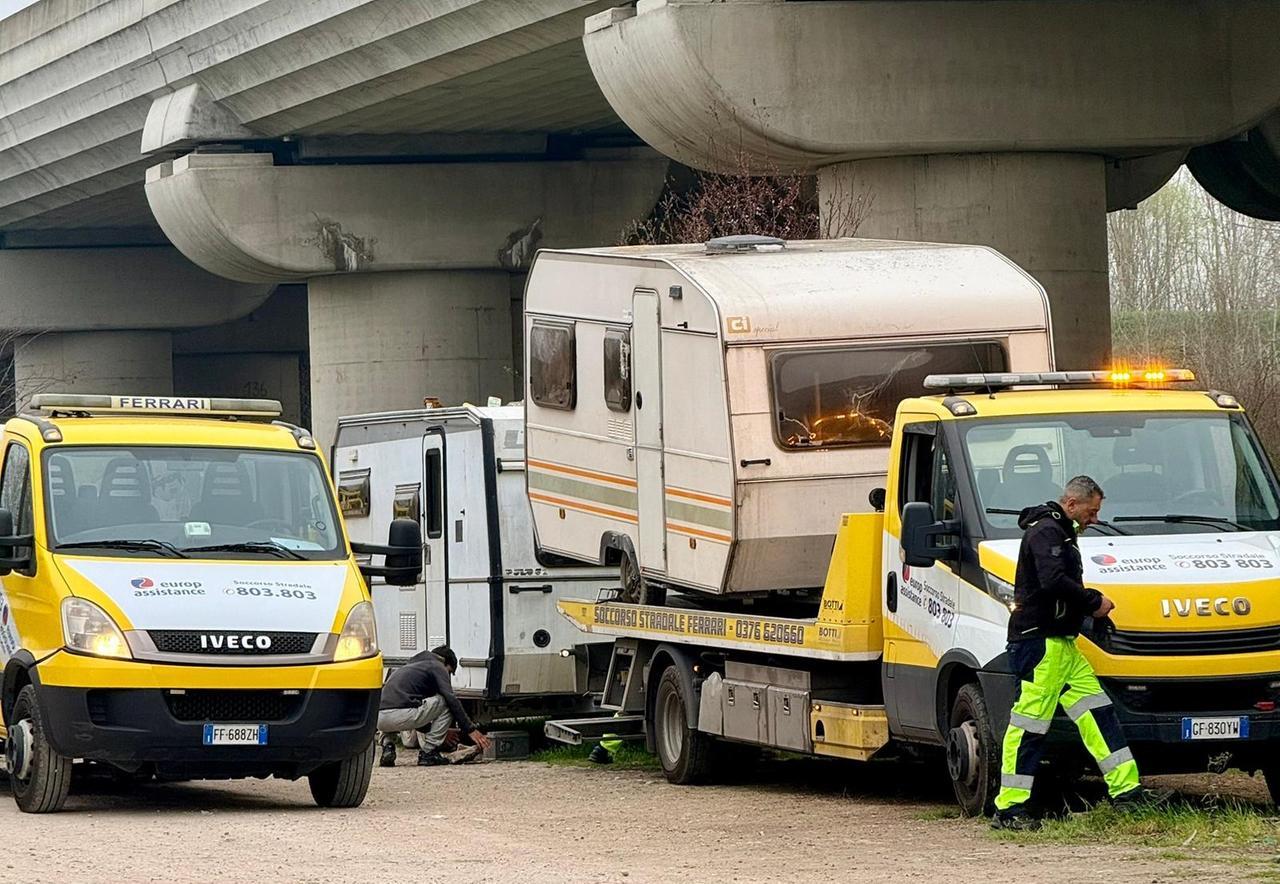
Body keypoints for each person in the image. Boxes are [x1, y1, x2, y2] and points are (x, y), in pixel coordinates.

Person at [991, 475, 1161, 830]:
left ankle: (1127, 793)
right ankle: (1009, 810)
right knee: (1029, 725)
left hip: (1061, 645)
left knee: (1099, 713)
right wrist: (1093, 602)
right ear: (1071, 504)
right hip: (1042, 645)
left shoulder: (1058, 530)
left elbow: (1055, 583)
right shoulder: (1048, 532)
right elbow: (1053, 581)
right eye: (1092, 511)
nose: (1095, 519)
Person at [377, 646, 493, 767]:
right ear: (447, 663)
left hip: (379, 719)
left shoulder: (408, 668)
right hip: (403, 713)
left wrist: (436, 730)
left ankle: (388, 747)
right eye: (449, 673)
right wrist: (471, 729)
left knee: (388, 706)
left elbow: (410, 716)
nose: (447, 677)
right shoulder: (437, 666)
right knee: (445, 701)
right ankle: (428, 753)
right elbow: (451, 699)